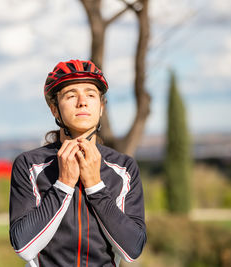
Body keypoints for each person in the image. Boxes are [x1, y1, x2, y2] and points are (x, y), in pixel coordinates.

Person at [9, 59, 147, 267]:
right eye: (71, 95)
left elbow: (132, 251)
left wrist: (95, 186)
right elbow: (24, 247)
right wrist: (63, 184)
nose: (82, 101)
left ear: (101, 107)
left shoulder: (124, 168)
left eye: (91, 95)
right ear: (54, 109)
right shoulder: (29, 165)